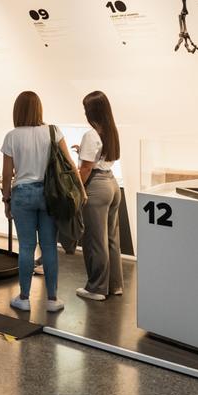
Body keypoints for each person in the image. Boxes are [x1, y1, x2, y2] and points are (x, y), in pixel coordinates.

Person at [1, 90, 84, 314]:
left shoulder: (12, 136)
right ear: (39, 109)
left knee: (26, 246)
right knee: (48, 246)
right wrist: (81, 191)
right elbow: (69, 165)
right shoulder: (52, 131)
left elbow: (7, 174)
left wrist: (6, 200)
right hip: (50, 194)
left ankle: (24, 298)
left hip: (23, 194)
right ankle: (52, 299)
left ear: (17, 110)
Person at [76, 91, 124, 302]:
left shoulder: (90, 134)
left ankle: (96, 288)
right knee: (112, 240)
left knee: (95, 240)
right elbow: (99, 157)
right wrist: (82, 151)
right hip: (112, 185)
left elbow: (86, 169)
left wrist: (77, 189)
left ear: (91, 111)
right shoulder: (110, 130)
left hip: (96, 186)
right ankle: (114, 285)